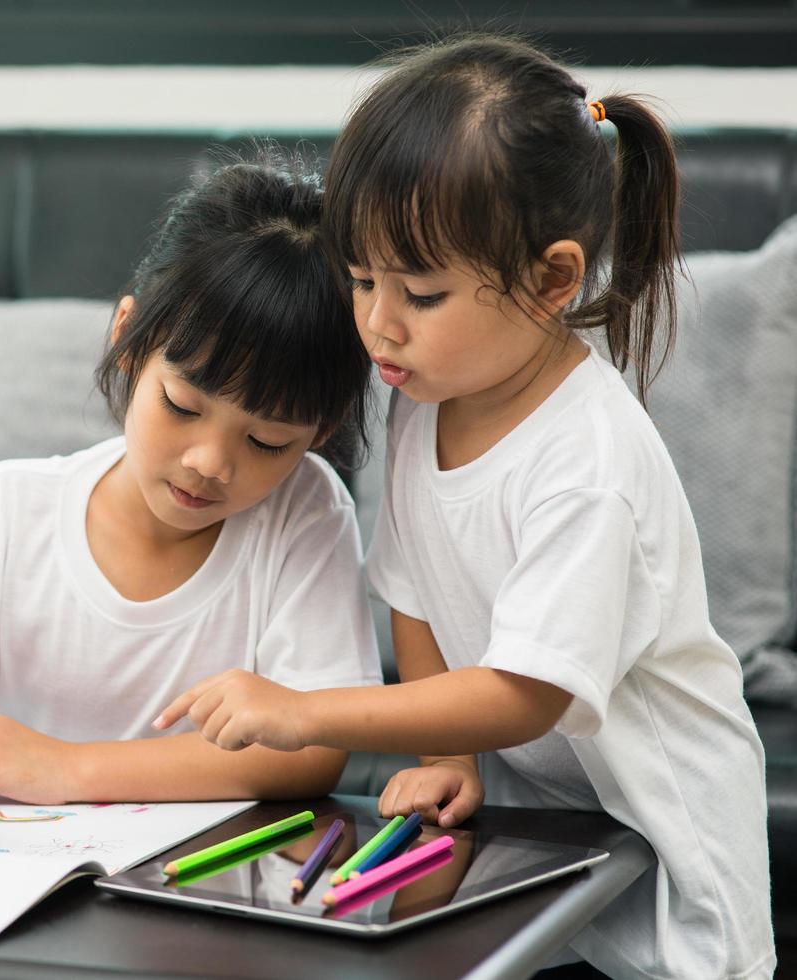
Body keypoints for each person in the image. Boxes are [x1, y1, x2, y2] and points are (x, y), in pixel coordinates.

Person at [155, 36, 774, 980]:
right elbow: (413, 586)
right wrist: (449, 753)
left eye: (423, 292)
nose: (378, 324)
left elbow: (529, 691)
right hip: (548, 839)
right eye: (361, 280)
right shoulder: (422, 392)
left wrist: (307, 713)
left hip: (670, 857)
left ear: (552, 281)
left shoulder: (586, 462)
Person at [0, 150, 381, 850]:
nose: (209, 463)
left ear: (319, 432)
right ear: (127, 338)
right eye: (182, 405)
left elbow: (314, 746)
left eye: (269, 441)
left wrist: (71, 767)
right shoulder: (2, 514)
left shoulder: (305, 514)